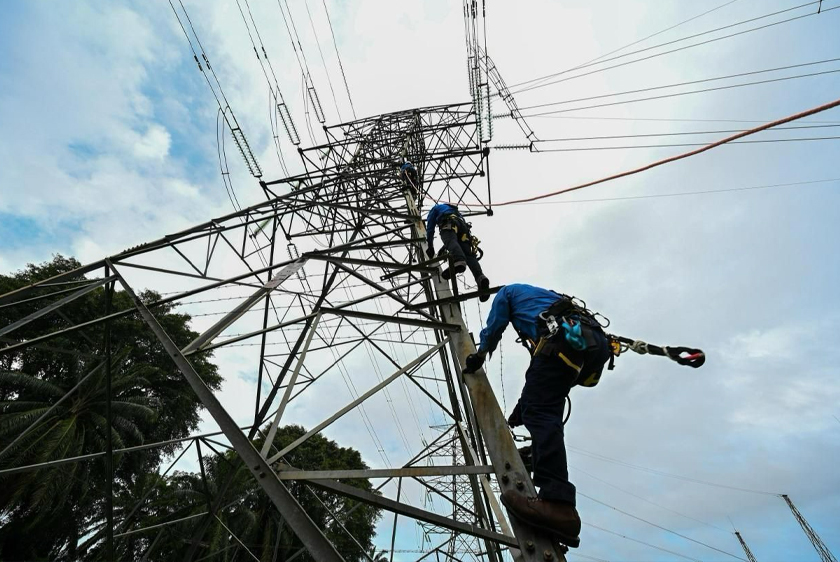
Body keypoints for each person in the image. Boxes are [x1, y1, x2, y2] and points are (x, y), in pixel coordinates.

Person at [462, 283, 613, 548]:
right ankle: (539, 455)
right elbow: (541, 375)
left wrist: (480, 354)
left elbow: (495, 326)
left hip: (563, 342)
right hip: (589, 344)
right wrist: (522, 409)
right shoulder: (549, 300)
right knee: (543, 405)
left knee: (541, 410)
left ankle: (558, 503)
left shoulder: (508, 293)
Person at [425, 202, 490, 300]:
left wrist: (430, 245)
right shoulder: (456, 211)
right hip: (463, 229)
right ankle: (480, 278)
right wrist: (444, 248)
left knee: (450, 240)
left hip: (449, 223)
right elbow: (455, 241)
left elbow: (430, 226)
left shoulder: (436, 208)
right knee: (469, 255)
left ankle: (459, 261)